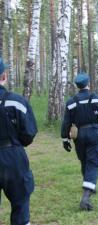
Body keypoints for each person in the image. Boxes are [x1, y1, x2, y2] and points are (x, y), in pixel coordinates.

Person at [61, 72, 98, 211]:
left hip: (79, 135)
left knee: (84, 160)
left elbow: (66, 123)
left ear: (77, 86)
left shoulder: (71, 102)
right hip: (94, 132)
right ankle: (86, 196)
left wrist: (65, 139)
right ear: (89, 84)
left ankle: (88, 184)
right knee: (94, 162)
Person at [0, 58, 38, 225]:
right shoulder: (16, 101)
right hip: (12, 156)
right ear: (4, 76)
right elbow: (29, 133)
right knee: (20, 203)